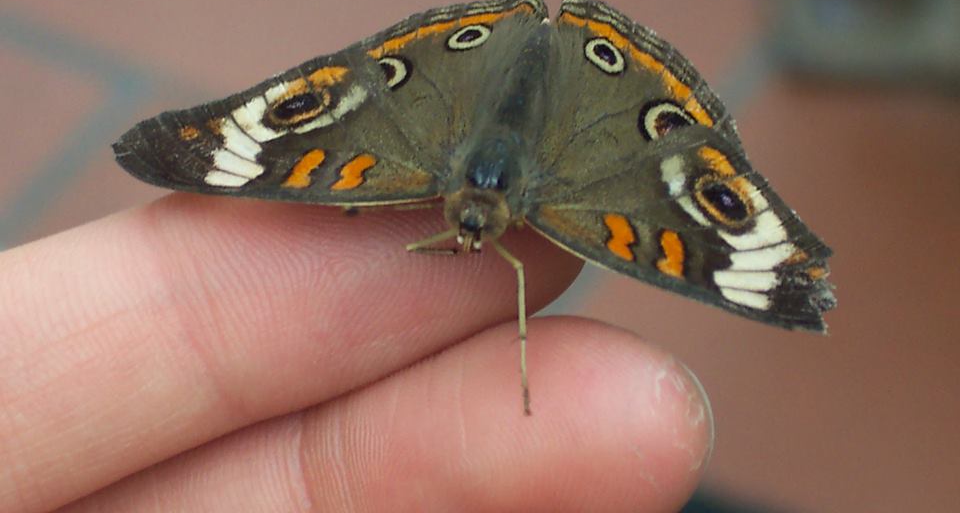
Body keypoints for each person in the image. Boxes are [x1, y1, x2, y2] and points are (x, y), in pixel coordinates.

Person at [0, 193, 712, 511]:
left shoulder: (514, 242)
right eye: (465, 232)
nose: (467, 241)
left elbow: (516, 267)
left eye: (473, 233)